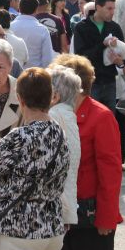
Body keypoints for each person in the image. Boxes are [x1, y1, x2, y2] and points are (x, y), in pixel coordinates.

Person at [0, 67, 70, 250]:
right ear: (51, 97)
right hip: (51, 227)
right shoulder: (59, 132)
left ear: (20, 99)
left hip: (18, 229)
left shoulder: (20, 136)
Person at [53, 54, 122, 250]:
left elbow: (110, 173)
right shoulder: (54, 113)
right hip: (60, 216)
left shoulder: (101, 116)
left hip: (90, 219)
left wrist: (106, 218)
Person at [72, 0, 125, 164]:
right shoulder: (82, 28)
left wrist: (120, 61)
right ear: (98, 7)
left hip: (110, 82)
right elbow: (81, 56)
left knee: (109, 123)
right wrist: (102, 45)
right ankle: (90, 159)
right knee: (89, 122)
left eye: (114, 8)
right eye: (109, 8)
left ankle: (110, 159)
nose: (112, 12)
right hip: (91, 83)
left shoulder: (115, 27)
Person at [47, 65, 83, 228]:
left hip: (54, 205)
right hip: (66, 202)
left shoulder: (53, 116)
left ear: (55, 95)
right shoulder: (68, 115)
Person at [10, 0, 54, 68]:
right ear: (36, 9)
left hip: (14, 73)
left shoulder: (10, 27)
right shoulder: (43, 30)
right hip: (36, 74)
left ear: (19, 9)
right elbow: (47, 59)